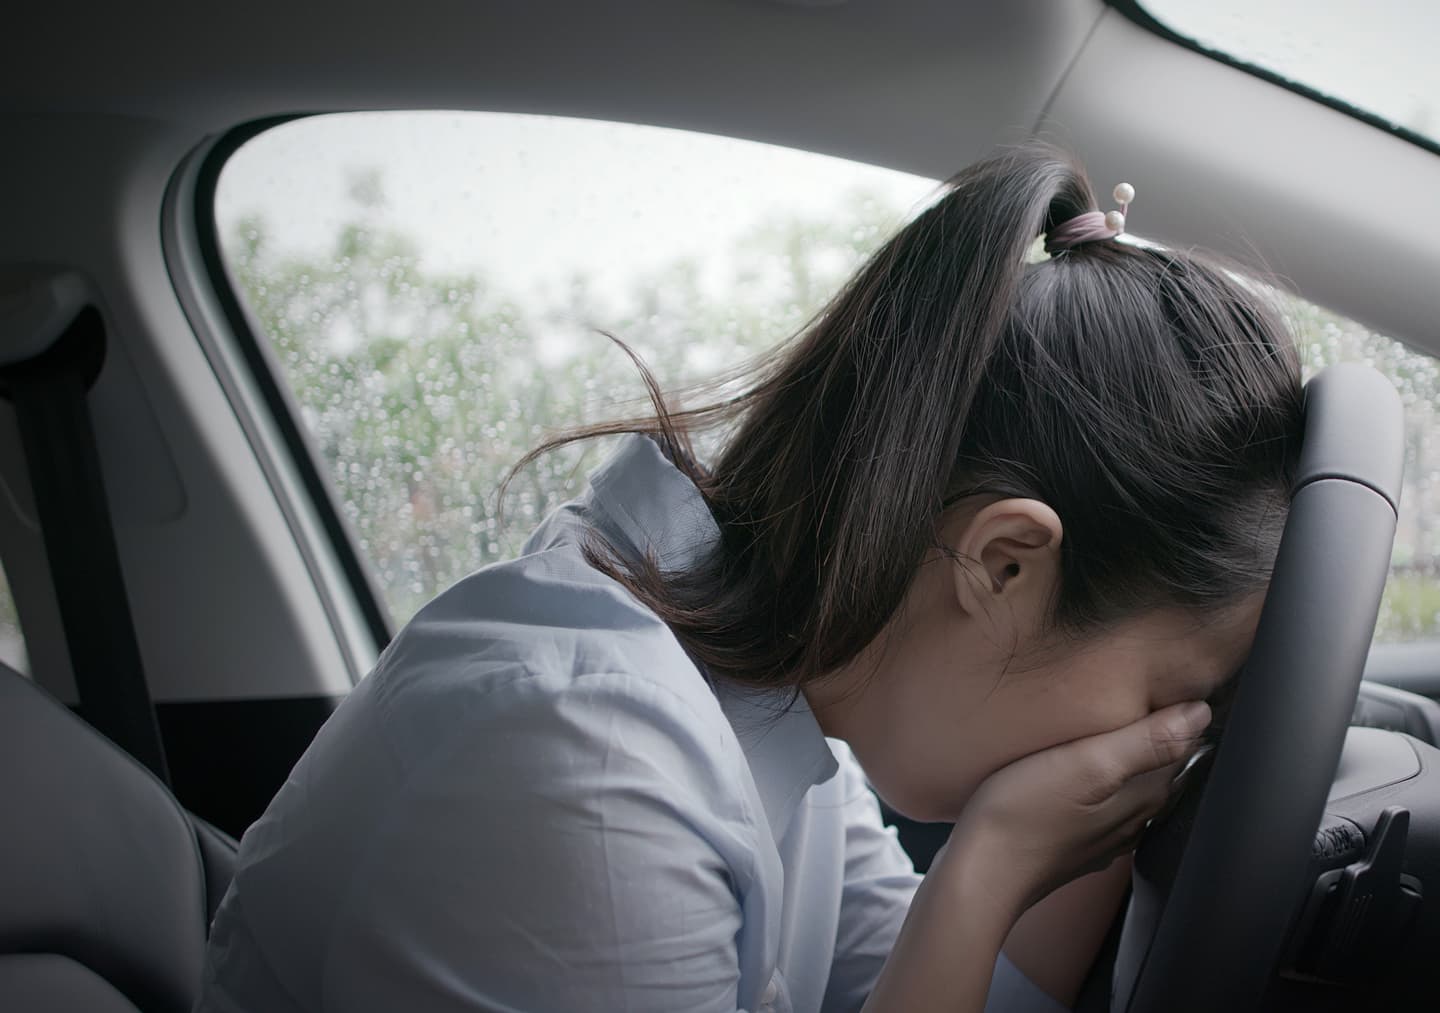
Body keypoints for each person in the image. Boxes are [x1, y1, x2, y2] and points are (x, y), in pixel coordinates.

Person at [197, 143, 1306, 1013]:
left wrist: (1065, 848)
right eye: (1171, 694)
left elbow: (939, 988)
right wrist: (990, 862)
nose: (1177, 730)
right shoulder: (584, 762)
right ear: (1003, 561)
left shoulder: (781, 689)